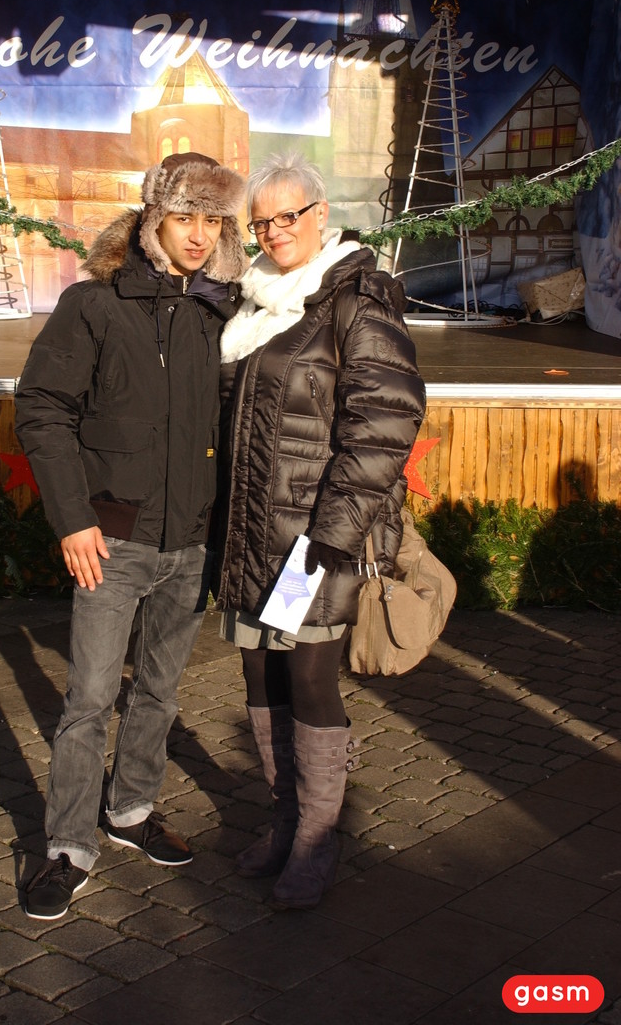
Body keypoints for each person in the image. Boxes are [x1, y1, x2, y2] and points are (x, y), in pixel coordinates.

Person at [14, 151, 246, 921]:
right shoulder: (95, 305)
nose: (199, 234)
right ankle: (67, 846)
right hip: (113, 540)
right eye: (185, 216)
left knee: (159, 690)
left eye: (212, 219)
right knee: (88, 698)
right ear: (153, 218)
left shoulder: (219, 312)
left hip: (192, 541)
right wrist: (74, 517)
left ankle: (131, 809)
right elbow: (42, 409)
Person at [215, 153, 426, 909]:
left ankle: (315, 838)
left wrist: (333, 534)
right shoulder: (255, 306)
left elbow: (385, 422)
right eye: (261, 222)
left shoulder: (355, 300)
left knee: (307, 677)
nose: (274, 232)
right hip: (252, 533)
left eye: (288, 216)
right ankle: (284, 821)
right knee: (260, 674)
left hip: (312, 540)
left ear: (320, 215)